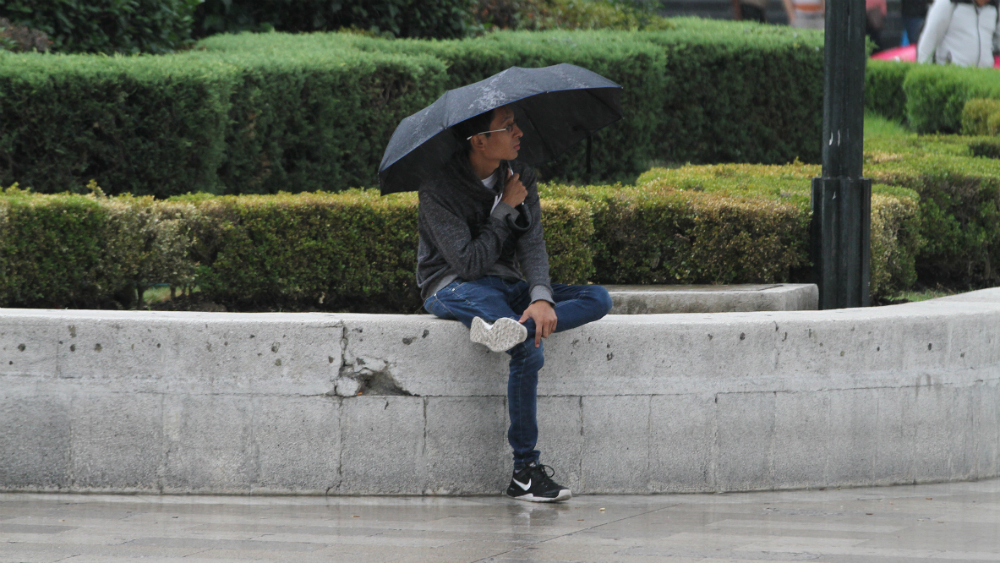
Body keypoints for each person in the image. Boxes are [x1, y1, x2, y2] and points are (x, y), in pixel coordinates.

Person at [417, 104, 612, 503]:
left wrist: (540, 299)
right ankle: (525, 472)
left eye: (516, 123)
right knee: (527, 349)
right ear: (480, 141)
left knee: (597, 297)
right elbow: (468, 262)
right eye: (507, 127)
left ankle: (516, 326)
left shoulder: (521, 175)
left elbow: (532, 244)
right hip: (453, 287)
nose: (518, 132)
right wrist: (504, 208)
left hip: (508, 287)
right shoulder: (438, 188)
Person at [917, 0, 1000, 68]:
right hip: (952, 76)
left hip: (982, 79)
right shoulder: (949, 3)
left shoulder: (994, 7)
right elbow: (928, 41)